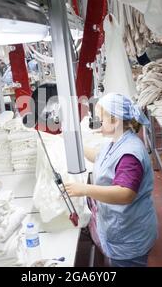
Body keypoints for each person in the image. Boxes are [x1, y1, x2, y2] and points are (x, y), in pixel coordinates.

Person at [66, 93, 157, 267]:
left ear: (115, 121)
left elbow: (125, 194)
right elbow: (100, 157)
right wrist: (71, 142)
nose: (97, 123)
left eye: (101, 119)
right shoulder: (118, 141)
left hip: (130, 235)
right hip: (123, 228)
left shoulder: (130, 153)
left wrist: (84, 189)